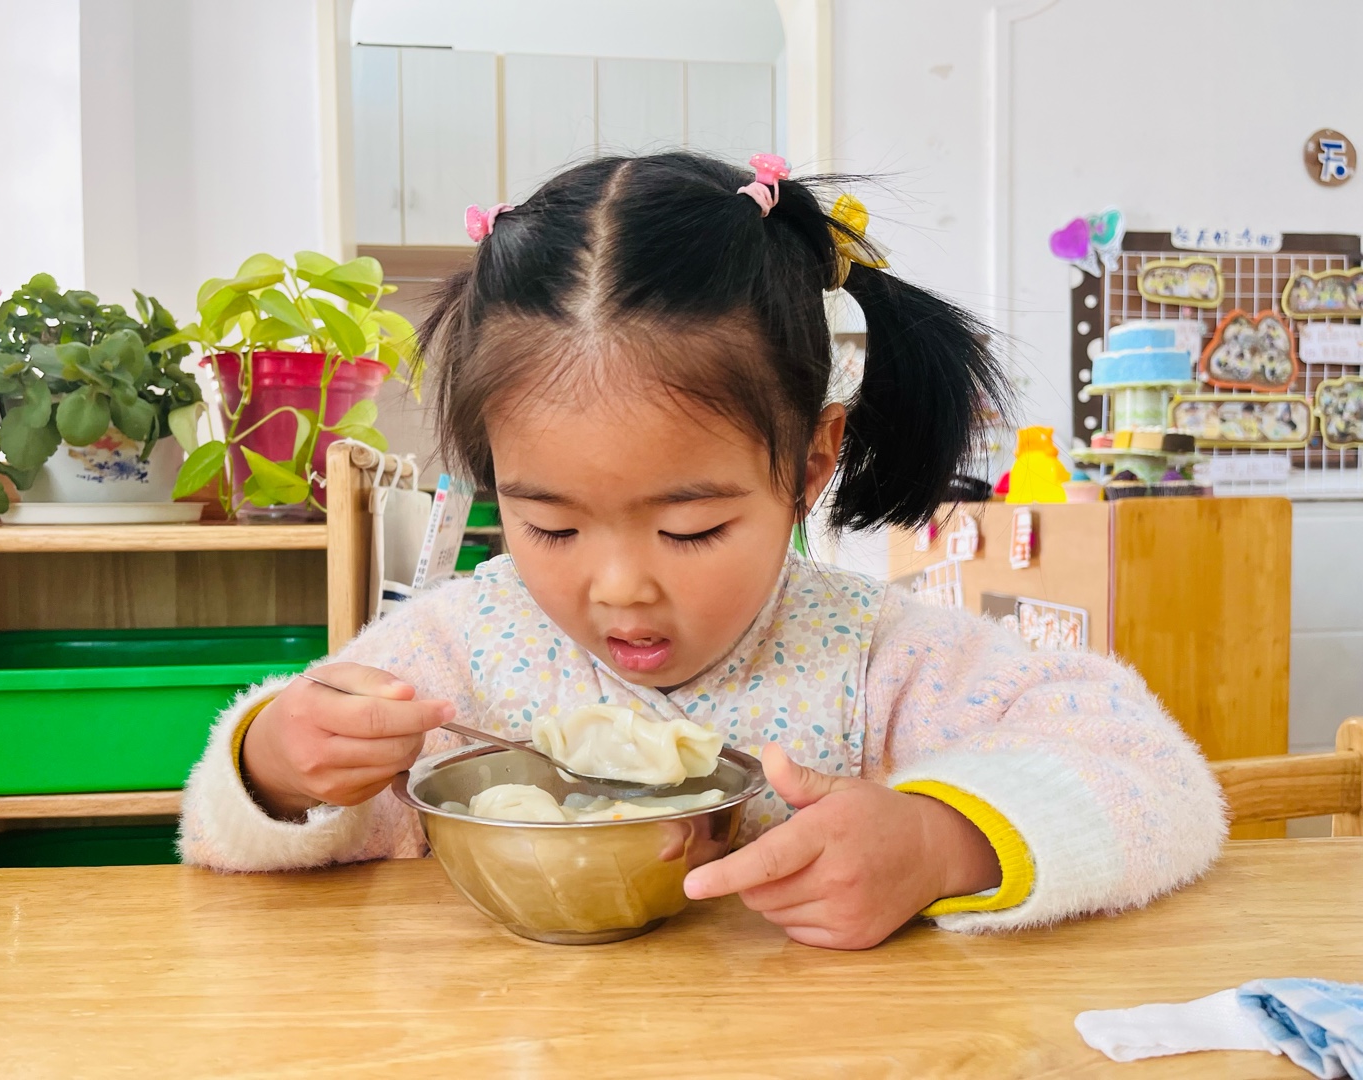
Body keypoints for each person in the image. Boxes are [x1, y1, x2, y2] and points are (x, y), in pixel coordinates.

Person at [179, 152, 1225, 950]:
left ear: (810, 465)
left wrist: (942, 842)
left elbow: (1158, 779)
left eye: (691, 529)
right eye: (550, 525)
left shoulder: (881, 659)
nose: (619, 587)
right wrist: (276, 768)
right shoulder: (456, 652)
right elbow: (227, 840)